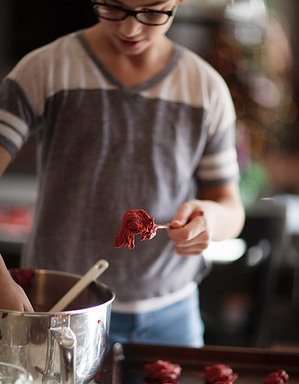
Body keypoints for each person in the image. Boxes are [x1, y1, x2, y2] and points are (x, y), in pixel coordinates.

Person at [0, 0, 245, 347]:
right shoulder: (46, 70)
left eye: (154, 11)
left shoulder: (205, 88)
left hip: (171, 317)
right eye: (113, 7)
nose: (130, 29)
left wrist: (210, 221)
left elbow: (231, 208)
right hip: (63, 311)